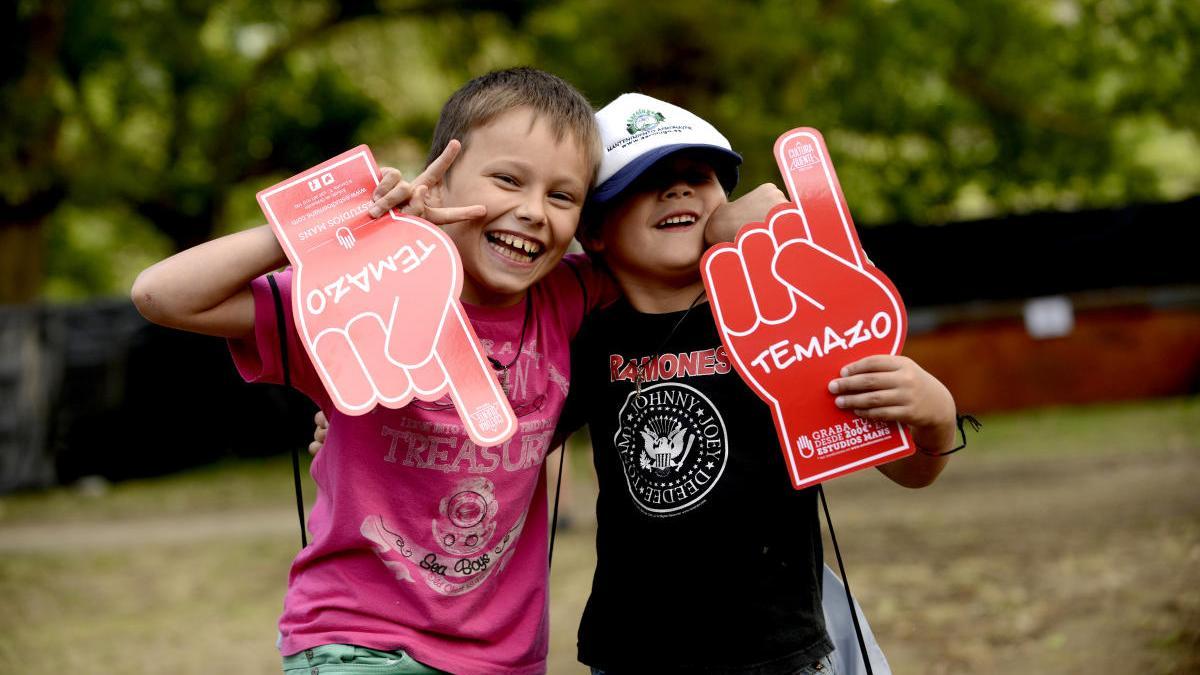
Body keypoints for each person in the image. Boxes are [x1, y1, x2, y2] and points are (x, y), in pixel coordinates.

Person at [132, 67, 611, 675]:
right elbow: (161, 295)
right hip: (358, 643)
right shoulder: (357, 289)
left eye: (562, 195)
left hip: (505, 660)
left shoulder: (566, 297)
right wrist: (333, 228)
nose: (533, 211)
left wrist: (735, 219)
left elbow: (668, 259)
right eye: (508, 180)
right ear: (435, 184)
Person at [557, 93, 958, 674]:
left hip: (778, 651)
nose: (679, 191)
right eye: (648, 182)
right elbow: (507, 449)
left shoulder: (781, 322)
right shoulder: (584, 337)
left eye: (699, 175)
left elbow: (909, 470)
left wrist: (935, 412)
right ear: (593, 229)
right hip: (633, 653)